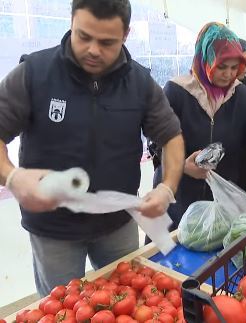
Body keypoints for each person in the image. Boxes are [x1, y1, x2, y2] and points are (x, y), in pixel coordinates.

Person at [0, 0, 185, 296]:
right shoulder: (35, 73)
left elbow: (171, 136)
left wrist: (167, 187)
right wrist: (11, 176)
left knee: (126, 302)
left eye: (107, 42)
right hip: (54, 230)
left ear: (126, 35)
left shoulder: (139, 82)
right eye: (83, 36)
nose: (93, 50)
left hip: (118, 224)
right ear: (71, 22)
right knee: (61, 308)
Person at [155, 22, 246, 227]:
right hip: (178, 197)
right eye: (222, 66)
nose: (228, 74)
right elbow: (158, 143)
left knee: (213, 247)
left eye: (234, 67)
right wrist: (183, 166)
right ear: (205, 61)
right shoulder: (177, 92)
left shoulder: (242, 96)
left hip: (220, 197)